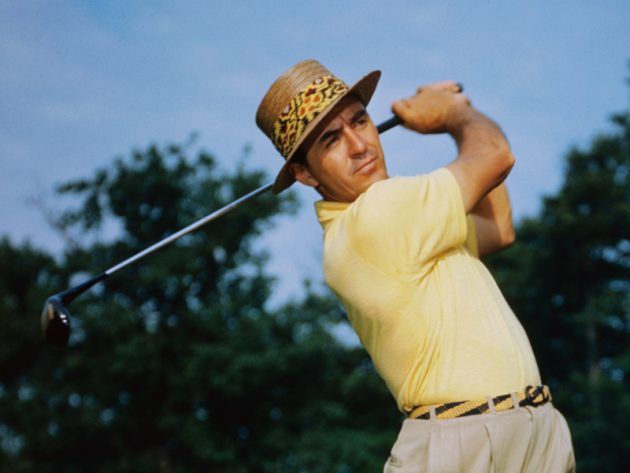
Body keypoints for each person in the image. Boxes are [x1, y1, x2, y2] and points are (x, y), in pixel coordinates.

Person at [256, 59, 576, 472]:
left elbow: (499, 229)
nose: (359, 145)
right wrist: (455, 115)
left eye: (360, 121)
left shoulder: (406, 221)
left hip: (531, 429)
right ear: (303, 173)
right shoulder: (375, 215)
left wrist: (454, 111)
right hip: (465, 442)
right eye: (331, 140)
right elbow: (496, 156)